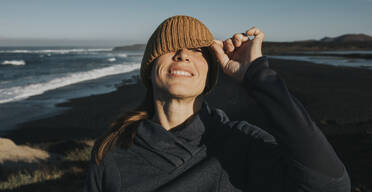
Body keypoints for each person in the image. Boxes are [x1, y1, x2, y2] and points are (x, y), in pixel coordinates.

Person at [84, 15, 350, 192]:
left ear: (210, 74)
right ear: (150, 68)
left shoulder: (242, 143)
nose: (182, 55)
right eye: (171, 47)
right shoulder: (113, 152)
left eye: (197, 50)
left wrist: (257, 74)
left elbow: (332, 185)